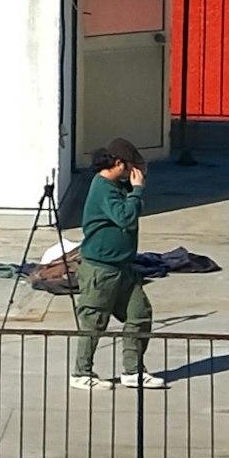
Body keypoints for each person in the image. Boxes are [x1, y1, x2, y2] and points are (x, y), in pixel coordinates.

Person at [70, 146, 152, 387]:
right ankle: (81, 373)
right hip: (101, 269)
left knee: (139, 314)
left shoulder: (116, 187)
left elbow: (131, 208)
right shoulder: (103, 188)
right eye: (131, 166)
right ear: (119, 163)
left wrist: (135, 189)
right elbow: (125, 217)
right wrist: (137, 190)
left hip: (123, 267)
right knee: (94, 321)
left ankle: (133, 370)